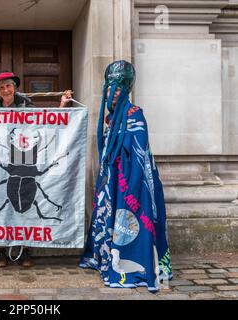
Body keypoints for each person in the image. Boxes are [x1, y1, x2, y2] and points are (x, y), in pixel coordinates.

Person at [79, 60, 173, 292]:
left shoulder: (135, 114)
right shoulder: (110, 118)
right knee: (107, 219)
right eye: (110, 87)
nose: (113, 93)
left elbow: (140, 156)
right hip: (111, 180)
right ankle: (105, 259)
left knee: (128, 223)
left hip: (131, 183)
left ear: (126, 89)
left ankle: (134, 267)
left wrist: (127, 184)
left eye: (119, 88)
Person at [0, 70, 72, 268]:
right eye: (1, 87)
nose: (6, 90)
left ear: (14, 87)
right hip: (3, 161)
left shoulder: (26, 105)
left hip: (25, 156)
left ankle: (26, 250)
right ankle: (0, 252)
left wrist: (61, 105)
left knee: (28, 207)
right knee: (1, 204)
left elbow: (46, 122)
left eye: (8, 86)